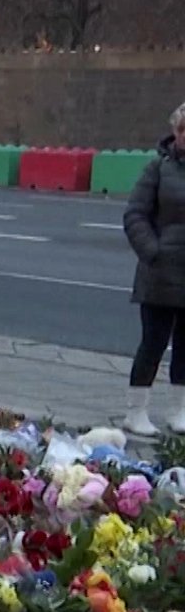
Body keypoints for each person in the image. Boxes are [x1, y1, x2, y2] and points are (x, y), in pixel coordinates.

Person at [123, 101, 185, 436]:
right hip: (160, 273)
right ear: (175, 131)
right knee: (153, 344)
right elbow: (135, 215)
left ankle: (179, 412)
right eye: (183, 129)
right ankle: (136, 412)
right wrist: (153, 251)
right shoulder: (157, 169)